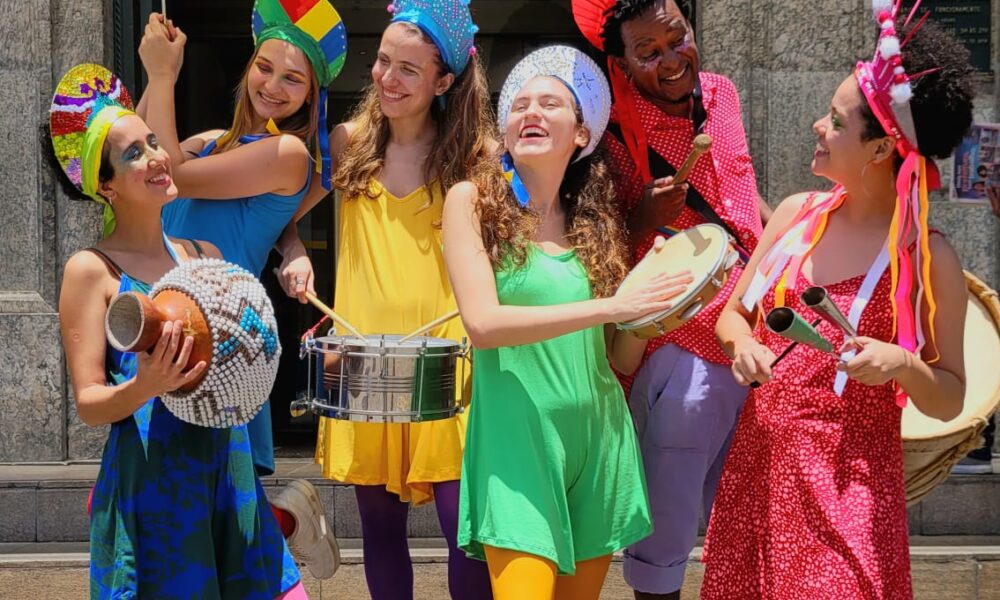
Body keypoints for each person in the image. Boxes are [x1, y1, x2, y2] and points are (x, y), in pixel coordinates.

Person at [703, 5, 974, 597]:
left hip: (850, 491)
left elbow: (950, 396)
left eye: (835, 120)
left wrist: (902, 363)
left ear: (879, 150)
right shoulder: (795, 215)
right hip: (760, 472)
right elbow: (734, 315)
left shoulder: (927, 257)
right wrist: (742, 344)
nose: (817, 126)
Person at [443, 45, 692, 600]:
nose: (530, 111)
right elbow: (483, 324)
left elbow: (617, 356)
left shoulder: (596, 224)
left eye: (549, 103)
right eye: (519, 104)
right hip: (516, 446)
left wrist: (652, 306)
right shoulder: (470, 203)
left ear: (582, 134)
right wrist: (612, 307)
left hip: (599, 441)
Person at [50, 63, 305, 599]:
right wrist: (144, 385)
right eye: (133, 154)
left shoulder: (202, 255)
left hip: (227, 465)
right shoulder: (90, 271)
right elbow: (90, 403)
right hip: (154, 482)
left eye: (152, 142)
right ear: (105, 185)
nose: (156, 156)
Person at [274, 1, 494, 597]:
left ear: (443, 82)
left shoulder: (475, 157)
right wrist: (293, 249)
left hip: (449, 361)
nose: (387, 78)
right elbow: (280, 216)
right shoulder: (347, 143)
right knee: (379, 526)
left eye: (408, 69)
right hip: (362, 358)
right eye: (383, 61)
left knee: (463, 526)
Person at [136, 0, 347, 579]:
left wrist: (162, 75)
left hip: (226, 343)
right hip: (164, 325)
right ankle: (291, 522)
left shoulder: (289, 154)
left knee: (219, 517)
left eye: (293, 79)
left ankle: (286, 528)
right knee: (184, 504)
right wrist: (156, 73)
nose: (273, 86)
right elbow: (142, 163)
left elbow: (170, 176)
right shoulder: (208, 141)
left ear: (311, 96)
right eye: (265, 67)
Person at [570, 1, 764, 597]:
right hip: (682, 346)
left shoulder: (723, 94)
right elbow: (596, 248)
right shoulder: (610, 133)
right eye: (648, 53)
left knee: (748, 523)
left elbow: (738, 196)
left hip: (754, 335)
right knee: (667, 535)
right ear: (623, 64)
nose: (671, 59)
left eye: (677, 38)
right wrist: (643, 217)